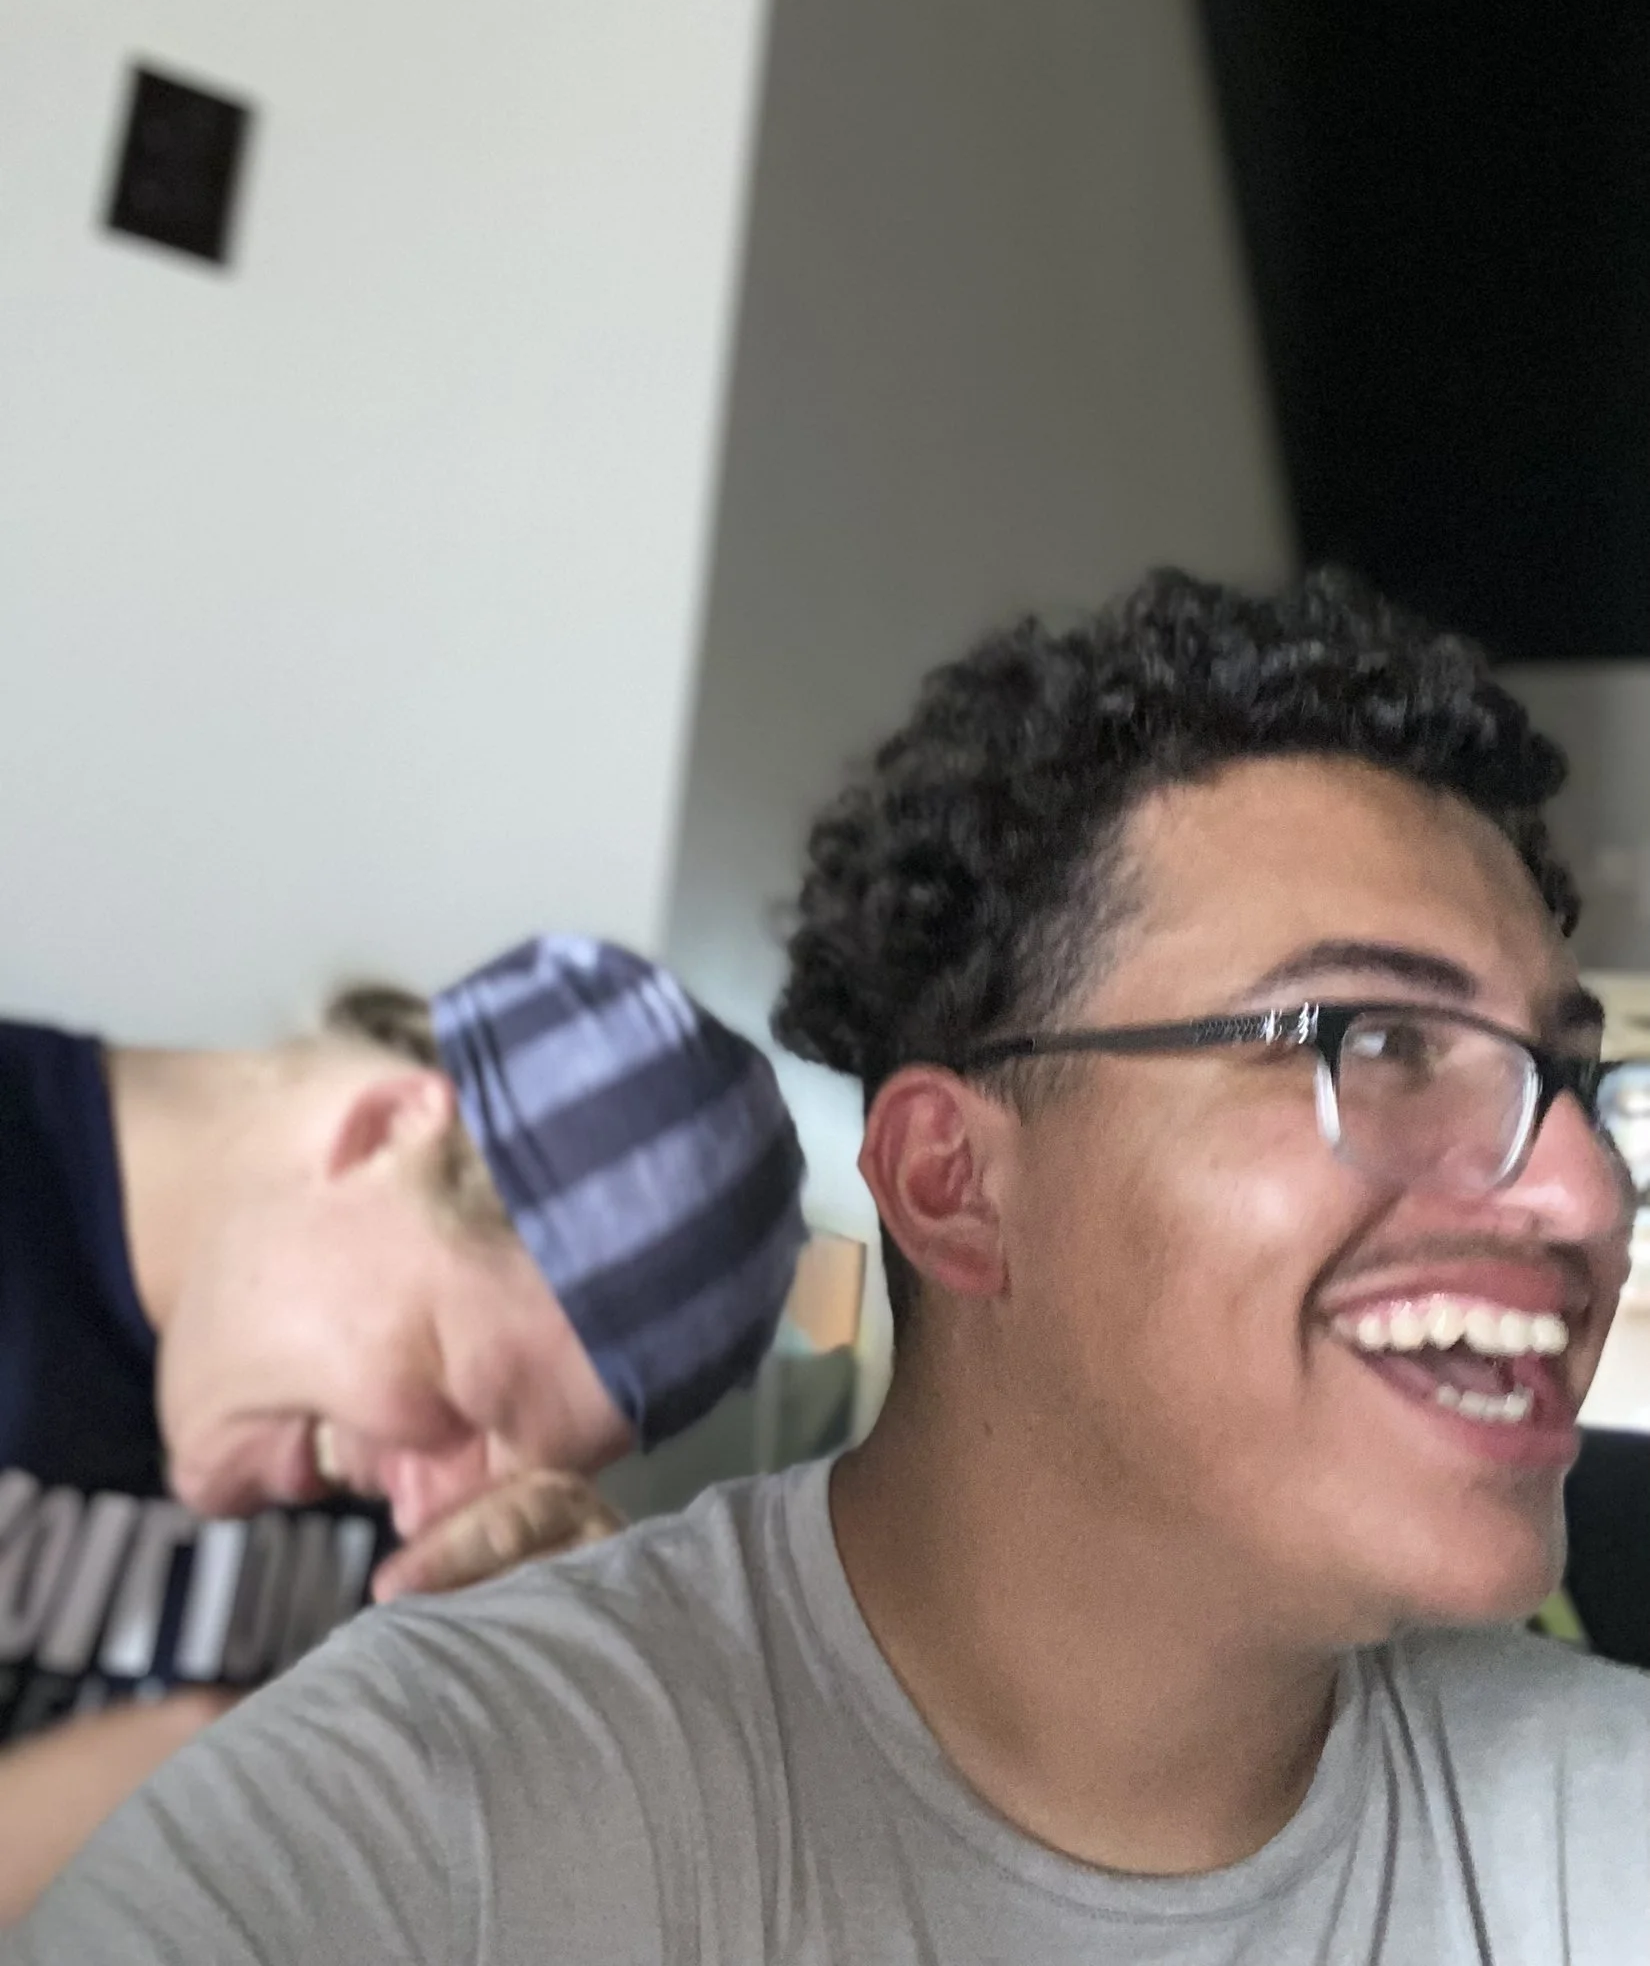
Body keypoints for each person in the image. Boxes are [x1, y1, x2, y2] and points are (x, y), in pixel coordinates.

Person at [8, 568, 1647, 1963]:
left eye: (1574, 1083)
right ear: (956, 1187)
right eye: (1368, 1040)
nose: (1588, 1190)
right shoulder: (431, 1790)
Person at [0, 933, 807, 1918]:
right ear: (382, 1129)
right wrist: (177, 1794)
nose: (432, 1507)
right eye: (460, 1401)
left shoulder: (435, 1534)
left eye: (516, 1469)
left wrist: (570, 1706)